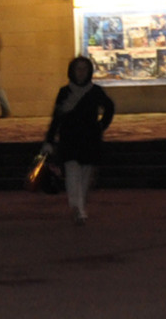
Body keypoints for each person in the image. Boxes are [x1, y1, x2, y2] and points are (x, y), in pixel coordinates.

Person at [43, 54, 116, 223]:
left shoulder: (95, 91)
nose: (81, 72)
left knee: (85, 175)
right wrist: (49, 140)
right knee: (72, 172)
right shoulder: (64, 92)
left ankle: (79, 205)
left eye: (85, 69)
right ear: (72, 71)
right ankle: (78, 208)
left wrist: (101, 125)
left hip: (89, 139)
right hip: (69, 138)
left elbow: (109, 107)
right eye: (78, 69)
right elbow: (56, 117)